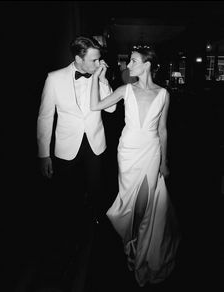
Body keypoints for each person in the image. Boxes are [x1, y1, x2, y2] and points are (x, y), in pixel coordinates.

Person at [90, 45, 180, 286]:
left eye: (133, 61)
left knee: (145, 204)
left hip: (150, 152)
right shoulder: (125, 89)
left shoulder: (163, 94)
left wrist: (164, 161)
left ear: (147, 64)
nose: (128, 65)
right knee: (128, 204)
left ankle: (137, 249)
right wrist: (95, 79)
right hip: (128, 153)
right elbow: (95, 106)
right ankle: (129, 240)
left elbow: (162, 130)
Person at [36, 35, 116, 257]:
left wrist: (102, 79)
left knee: (96, 191)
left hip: (95, 144)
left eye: (99, 59)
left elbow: (111, 109)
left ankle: (95, 236)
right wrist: (44, 154)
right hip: (66, 146)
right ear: (78, 58)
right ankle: (69, 238)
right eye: (93, 60)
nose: (98, 64)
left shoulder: (99, 76)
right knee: (67, 196)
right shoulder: (54, 79)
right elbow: (45, 117)